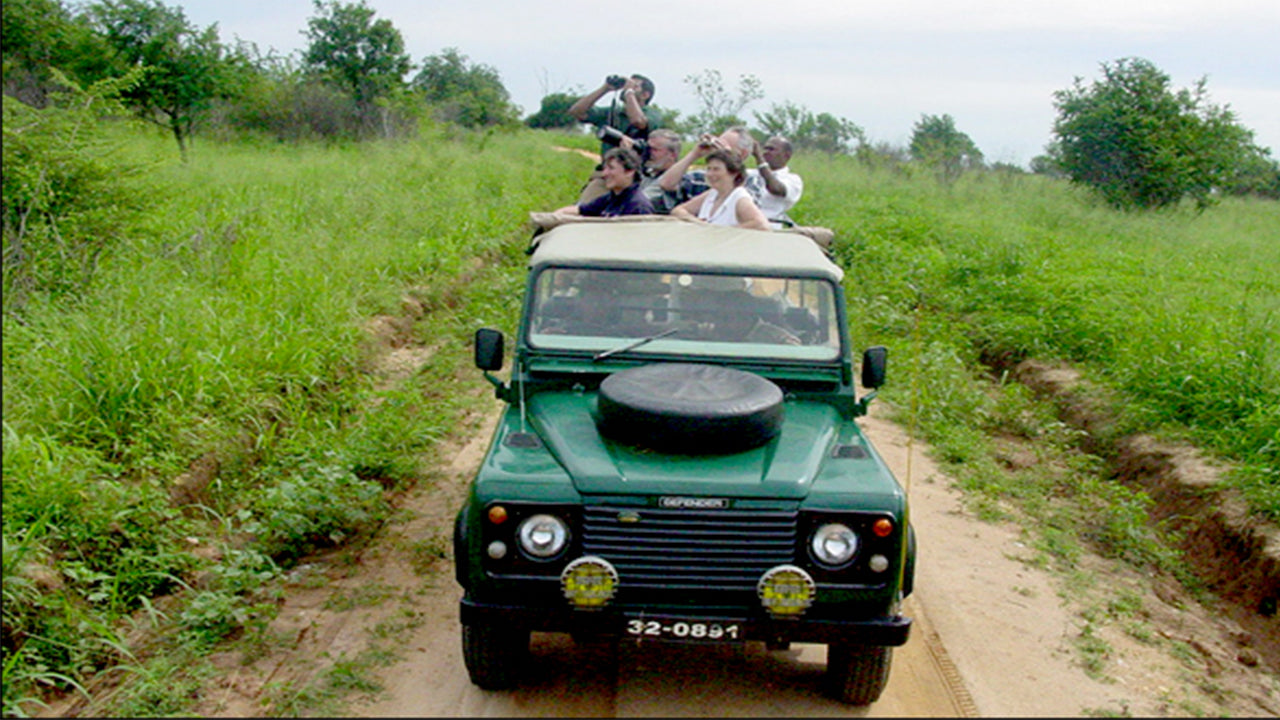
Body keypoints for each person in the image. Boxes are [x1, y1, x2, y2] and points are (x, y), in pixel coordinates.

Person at [568, 74, 661, 204]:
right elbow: (577, 112)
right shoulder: (613, 112)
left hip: (636, 177)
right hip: (608, 175)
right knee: (583, 210)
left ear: (646, 95)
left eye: (635, 86)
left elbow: (638, 121)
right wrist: (605, 88)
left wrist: (629, 92)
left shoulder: (652, 114)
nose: (626, 87)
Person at [655, 126, 756, 209]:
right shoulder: (699, 177)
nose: (718, 151)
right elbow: (666, 184)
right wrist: (695, 153)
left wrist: (727, 159)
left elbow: (740, 199)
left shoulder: (751, 181)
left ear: (743, 154)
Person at [670, 149, 769, 230]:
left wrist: (723, 232)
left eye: (716, 169)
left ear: (733, 173)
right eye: (709, 169)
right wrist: (697, 222)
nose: (710, 174)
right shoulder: (712, 194)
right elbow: (678, 210)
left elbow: (762, 225)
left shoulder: (739, 198)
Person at [554, 147, 654, 217]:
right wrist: (556, 215)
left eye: (611, 168)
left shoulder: (638, 207)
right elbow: (581, 210)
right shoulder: (609, 199)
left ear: (629, 172)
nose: (604, 174)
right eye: (604, 168)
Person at [746, 136, 804, 229]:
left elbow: (775, 189)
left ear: (786, 155)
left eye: (771, 149)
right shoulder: (749, 173)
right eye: (765, 148)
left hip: (769, 230)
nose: (766, 152)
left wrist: (759, 159)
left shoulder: (792, 180)